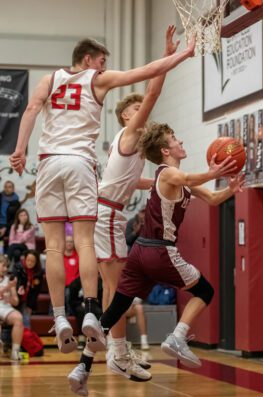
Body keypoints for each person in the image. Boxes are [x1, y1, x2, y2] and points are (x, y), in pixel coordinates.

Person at [9, 30, 196, 356]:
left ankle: (60, 318)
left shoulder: (48, 79)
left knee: (53, 246)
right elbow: (146, 73)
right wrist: (181, 54)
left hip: (49, 162)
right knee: (84, 244)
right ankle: (94, 314)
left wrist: (20, 150)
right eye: (101, 61)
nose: (103, 66)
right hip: (81, 164)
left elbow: (30, 111)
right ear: (86, 60)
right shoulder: (97, 81)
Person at [68, 122, 243, 395]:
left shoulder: (177, 177)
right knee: (206, 291)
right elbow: (187, 180)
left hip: (139, 252)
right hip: (161, 251)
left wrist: (230, 189)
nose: (181, 141)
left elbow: (211, 198)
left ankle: (83, 367)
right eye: (175, 138)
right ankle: (177, 337)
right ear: (164, 150)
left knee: (114, 311)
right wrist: (213, 171)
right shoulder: (167, 173)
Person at [69, 27, 182, 390]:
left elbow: (135, 182)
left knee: (111, 290)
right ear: (124, 118)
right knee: (120, 290)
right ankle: (118, 354)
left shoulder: (131, 148)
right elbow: (153, 91)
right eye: (134, 109)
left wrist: (168, 180)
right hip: (107, 214)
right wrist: (167, 55)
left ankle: (86, 363)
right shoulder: (130, 134)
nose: (141, 111)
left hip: (102, 210)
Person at [0, 255, 24, 362]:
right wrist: (7, 288)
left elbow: (16, 301)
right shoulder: (9, 284)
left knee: (18, 317)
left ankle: (15, 351)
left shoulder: (9, 281)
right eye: (3, 266)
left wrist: (10, 299)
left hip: (5, 308)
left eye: (7, 266)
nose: (5, 269)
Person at [14, 250, 43, 328]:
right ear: (25, 259)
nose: (30, 263)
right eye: (28, 260)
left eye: (32, 261)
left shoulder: (38, 273)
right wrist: (18, 288)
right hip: (16, 299)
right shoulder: (18, 268)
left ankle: (26, 336)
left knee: (26, 317)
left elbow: (36, 292)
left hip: (28, 300)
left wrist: (30, 306)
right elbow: (15, 282)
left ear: (36, 262)